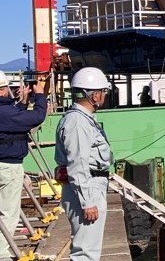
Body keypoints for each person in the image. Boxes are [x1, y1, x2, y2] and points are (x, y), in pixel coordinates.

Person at [55, 67, 113, 261]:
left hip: (88, 186)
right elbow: (78, 164)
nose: (104, 95)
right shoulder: (78, 122)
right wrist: (88, 202)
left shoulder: (82, 120)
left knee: (87, 248)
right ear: (95, 95)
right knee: (86, 252)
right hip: (87, 189)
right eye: (103, 91)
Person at [0, 73, 47, 259]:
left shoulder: (6, 111)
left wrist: (23, 102)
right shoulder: (4, 112)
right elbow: (37, 117)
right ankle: (1, 253)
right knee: (8, 212)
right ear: (2, 90)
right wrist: (40, 95)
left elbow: (12, 119)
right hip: (7, 166)